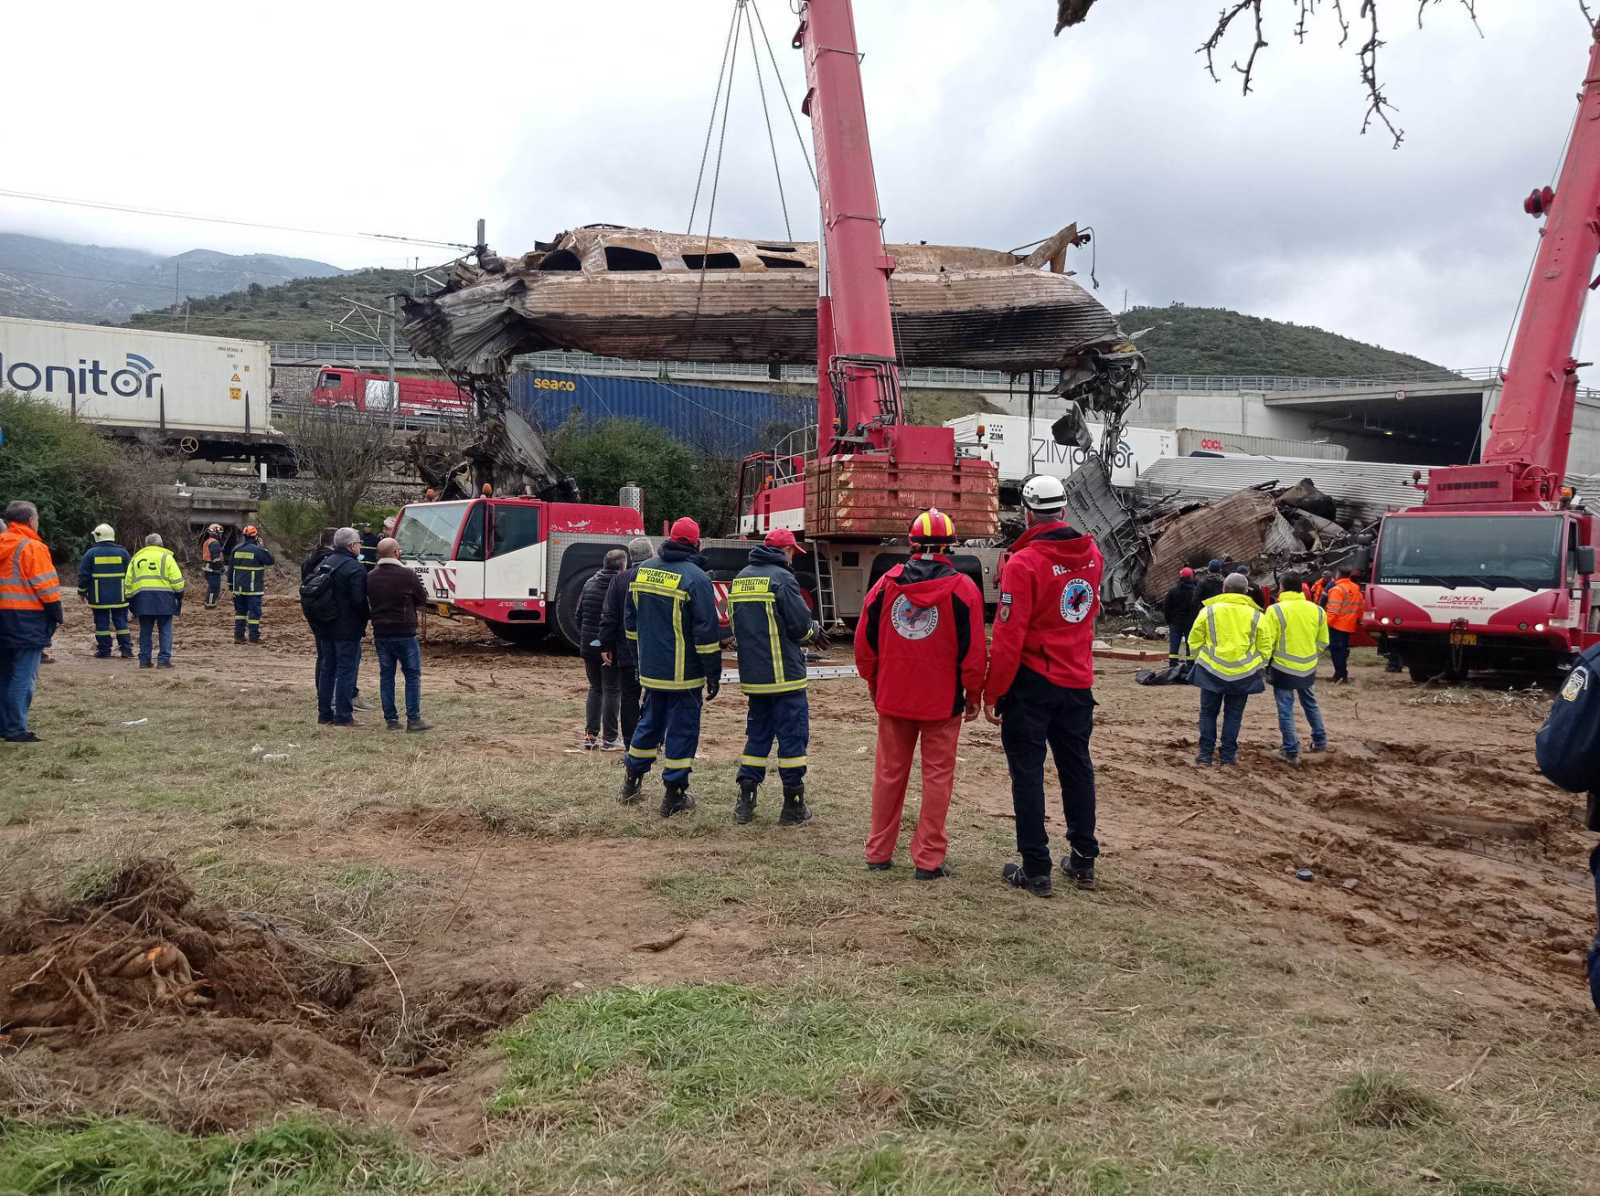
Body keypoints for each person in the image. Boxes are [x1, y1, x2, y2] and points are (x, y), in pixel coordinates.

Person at [985, 475, 1105, 896]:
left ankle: (1036, 867)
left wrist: (993, 690)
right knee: (1077, 768)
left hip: (1032, 684)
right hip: (1077, 680)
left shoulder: (1023, 564)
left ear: (1028, 513)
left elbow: (1008, 635)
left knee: (1028, 774)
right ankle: (1084, 860)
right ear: (1064, 510)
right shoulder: (1092, 554)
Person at [856, 509, 986, 880]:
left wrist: (873, 682)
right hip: (941, 703)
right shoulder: (964, 590)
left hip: (893, 697)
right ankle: (928, 860)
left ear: (912, 543)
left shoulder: (886, 584)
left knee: (888, 774)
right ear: (952, 545)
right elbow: (974, 652)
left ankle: (878, 853)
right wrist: (974, 692)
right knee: (937, 778)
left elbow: (864, 643)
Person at [620, 517, 723, 817]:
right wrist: (712, 673)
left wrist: (639, 662)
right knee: (682, 731)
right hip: (684, 675)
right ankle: (674, 796)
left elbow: (631, 625)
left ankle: (631, 784)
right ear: (695, 543)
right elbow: (706, 634)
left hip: (652, 671)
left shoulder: (642, 572)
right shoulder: (696, 578)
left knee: (649, 724)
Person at [731, 528, 824, 827]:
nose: (794, 557)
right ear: (785, 550)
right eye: (793, 552)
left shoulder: (742, 577)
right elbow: (799, 626)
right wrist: (815, 631)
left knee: (757, 737)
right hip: (785, 676)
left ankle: (745, 803)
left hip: (755, 678)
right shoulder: (782, 578)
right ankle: (793, 806)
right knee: (792, 739)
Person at [1188, 572, 1277, 766]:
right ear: (1246, 592)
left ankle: (1205, 755)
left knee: (1208, 713)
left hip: (1211, 670)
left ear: (1224, 589)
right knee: (1233, 715)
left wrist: (1201, 660)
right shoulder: (1256, 615)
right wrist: (1256, 665)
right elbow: (1265, 647)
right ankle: (1228, 756)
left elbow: (1194, 640)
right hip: (1243, 674)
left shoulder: (1209, 611)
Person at [0, 500, 64, 743]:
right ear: (30, 520)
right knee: (23, 675)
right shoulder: (32, 547)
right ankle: (16, 728)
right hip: (26, 617)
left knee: (4, 674)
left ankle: (4, 725)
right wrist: (56, 611)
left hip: (3, 617)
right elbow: (45, 585)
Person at [305, 527, 370, 726]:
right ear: (351, 546)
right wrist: (365, 620)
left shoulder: (325, 563)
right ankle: (343, 715)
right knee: (346, 671)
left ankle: (324, 714)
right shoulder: (354, 568)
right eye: (359, 542)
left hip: (325, 626)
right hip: (347, 628)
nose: (360, 546)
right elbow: (359, 601)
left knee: (327, 669)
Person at [367, 537, 431, 732]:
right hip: (405, 631)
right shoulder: (408, 575)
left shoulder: (370, 576)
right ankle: (413, 719)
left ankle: (391, 720)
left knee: (386, 675)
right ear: (396, 552)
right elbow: (422, 598)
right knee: (412, 675)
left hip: (381, 632)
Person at [1268, 571, 1330, 765]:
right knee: (1310, 703)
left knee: (1285, 708)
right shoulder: (1317, 610)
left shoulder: (1275, 611)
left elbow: (1268, 641)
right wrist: (1310, 657)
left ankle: (1290, 749)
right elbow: (1323, 641)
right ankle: (1320, 740)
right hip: (1308, 667)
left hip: (1283, 668)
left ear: (1282, 588)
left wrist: (1266, 663)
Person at [600, 536, 652, 749]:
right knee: (654, 696)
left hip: (626, 649)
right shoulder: (658, 577)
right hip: (655, 650)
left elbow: (609, 615)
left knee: (629, 697)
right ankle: (654, 739)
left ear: (630, 557)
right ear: (651, 554)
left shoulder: (620, 580)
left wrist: (606, 645)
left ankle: (631, 742)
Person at [579, 549, 626, 750]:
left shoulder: (589, 582)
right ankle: (610, 738)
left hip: (589, 645)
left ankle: (590, 735)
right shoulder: (621, 586)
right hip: (610, 647)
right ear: (622, 566)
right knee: (612, 690)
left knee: (595, 688)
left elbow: (578, 614)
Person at [126, 533, 185, 669]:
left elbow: (128, 582)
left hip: (142, 600)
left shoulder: (137, 558)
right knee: (165, 630)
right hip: (164, 600)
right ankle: (163, 661)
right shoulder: (166, 557)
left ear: (146, 544)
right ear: (161, 544)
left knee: (145, 631)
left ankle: (144, 661)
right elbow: (177, 582)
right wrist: (179, 594)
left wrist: (130, 599)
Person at [77, 524, 131, 660]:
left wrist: (81, 591)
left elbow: (84, 575)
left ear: (97, 536)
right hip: (120, 596)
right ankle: (126, 650)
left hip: (98, 596)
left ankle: (104, 651)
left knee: (101, 624)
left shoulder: (90, 553)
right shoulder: (123, 552)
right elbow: (131, 574)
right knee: (121, 623)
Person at [228, 525, 274, 644]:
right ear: (255, 536)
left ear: (244, 535)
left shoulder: (236, 549)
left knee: (240, 613)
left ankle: (238, 636)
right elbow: (270, 560)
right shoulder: (258, 550)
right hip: (253, 589)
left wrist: (231, 586)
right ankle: (254, 637)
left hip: (238, 588)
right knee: (254, 614)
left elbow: (231, 569)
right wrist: (262, 546)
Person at [1324, 568, 1364, 684]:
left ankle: (1341, 675)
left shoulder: (1337, 589)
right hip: (1349, 625)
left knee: (1337, 652)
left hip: (1337, 626)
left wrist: (1326, 625)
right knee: (1342, 651)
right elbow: (1361, 606)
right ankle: (1340, 674)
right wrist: (1359, 620)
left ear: (1338, 575)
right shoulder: (1355, 588)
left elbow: (1333, 611)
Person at [1161, 567, 1201, 668]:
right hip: (1190, 622)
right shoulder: (1195, 592)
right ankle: (1190, 665)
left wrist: (1169, 620)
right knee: (1190, 644)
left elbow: (1166, 607)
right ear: (1191, 577)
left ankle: (1173, 664)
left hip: (1175, 622)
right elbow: (1198, 607)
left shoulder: (1172, 591)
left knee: (1174, 644)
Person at [200, 524, 226, 609]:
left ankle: (210, 603)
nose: (221, 535)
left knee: (212, 587)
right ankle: (210, 604)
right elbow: (216, 559)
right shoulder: (214, 543)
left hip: (208, 567)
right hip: (213, 568)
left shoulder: (208, 541)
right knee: (214, 587)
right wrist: (221, 567)